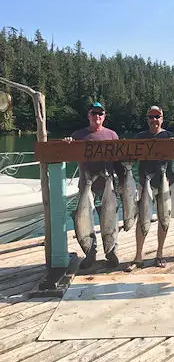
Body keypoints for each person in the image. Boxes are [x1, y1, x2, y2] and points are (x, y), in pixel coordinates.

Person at [66, 102, 120, 269]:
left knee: (110, 217)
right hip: (86, 184)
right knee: (84, 219)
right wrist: (67, 143)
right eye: (94, 113)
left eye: (100, 113)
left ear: (104, 116)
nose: (97, 116)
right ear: (88, 115)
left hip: (107, 184)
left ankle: (111, 252)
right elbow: (67, 156)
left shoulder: (112, 135)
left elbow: (118, 161)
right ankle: (91, 254)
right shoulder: (78, 135)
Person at [127, 105, 174, 270]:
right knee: (142, 219)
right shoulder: (139, 137)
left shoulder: (170, 137)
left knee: (164, 219)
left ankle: (160, 254)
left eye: (157, 116)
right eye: (151, 117)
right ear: (147, 119)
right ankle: (138, 256)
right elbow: (128, 154)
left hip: (165, 184)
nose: (154, 120)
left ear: (162, 119)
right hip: (145, 184)